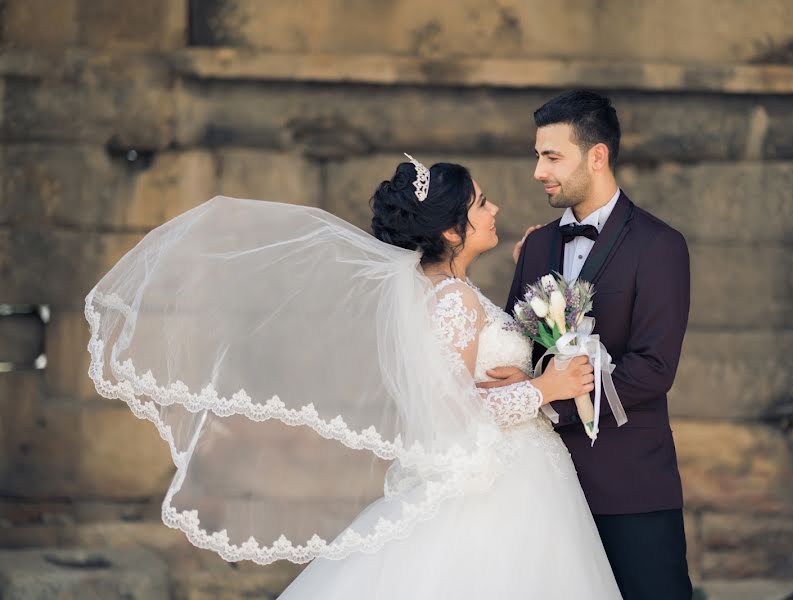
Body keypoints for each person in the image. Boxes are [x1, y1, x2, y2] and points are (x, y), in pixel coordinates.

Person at [84, 156, 623, 599]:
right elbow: (452, 417)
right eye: (481, 203)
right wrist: (542, 388)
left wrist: (519, 383)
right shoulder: (453, 301)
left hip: (520, 474)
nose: (495, 208)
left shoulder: (450, 294)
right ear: (451, 230)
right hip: (497, 488)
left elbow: (459, 391)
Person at [487, 90, 694, 599]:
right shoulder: (536, 246)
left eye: (552, 156)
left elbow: (653, 367)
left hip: (631, 486)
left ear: (596, 156)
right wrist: (530, 385)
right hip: (544, 488)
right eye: (538, 155)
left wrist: (555, 399)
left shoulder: (660, 246)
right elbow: (520, 349)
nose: (538, 171)